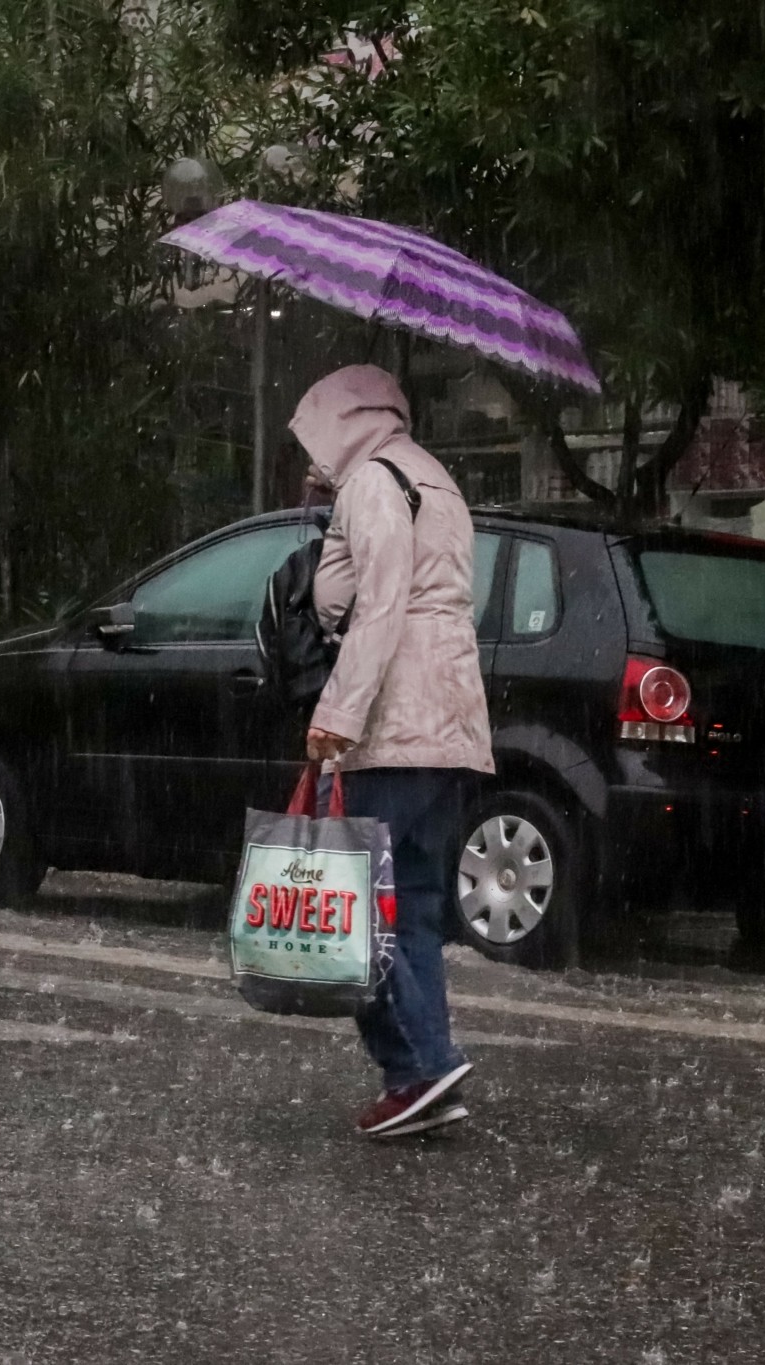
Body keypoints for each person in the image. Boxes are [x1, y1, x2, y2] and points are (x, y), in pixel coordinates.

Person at [290, 364, 495, 1139]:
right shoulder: (432, 476)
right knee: (410, 902)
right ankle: (421, 1075)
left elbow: (378, 608)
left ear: (341, 420)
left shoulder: (374, 483)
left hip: (393, 720)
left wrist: (336, 714)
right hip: (450, 721)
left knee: (352, 908)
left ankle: (420, 1063)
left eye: (315, 435)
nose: (312, 453)